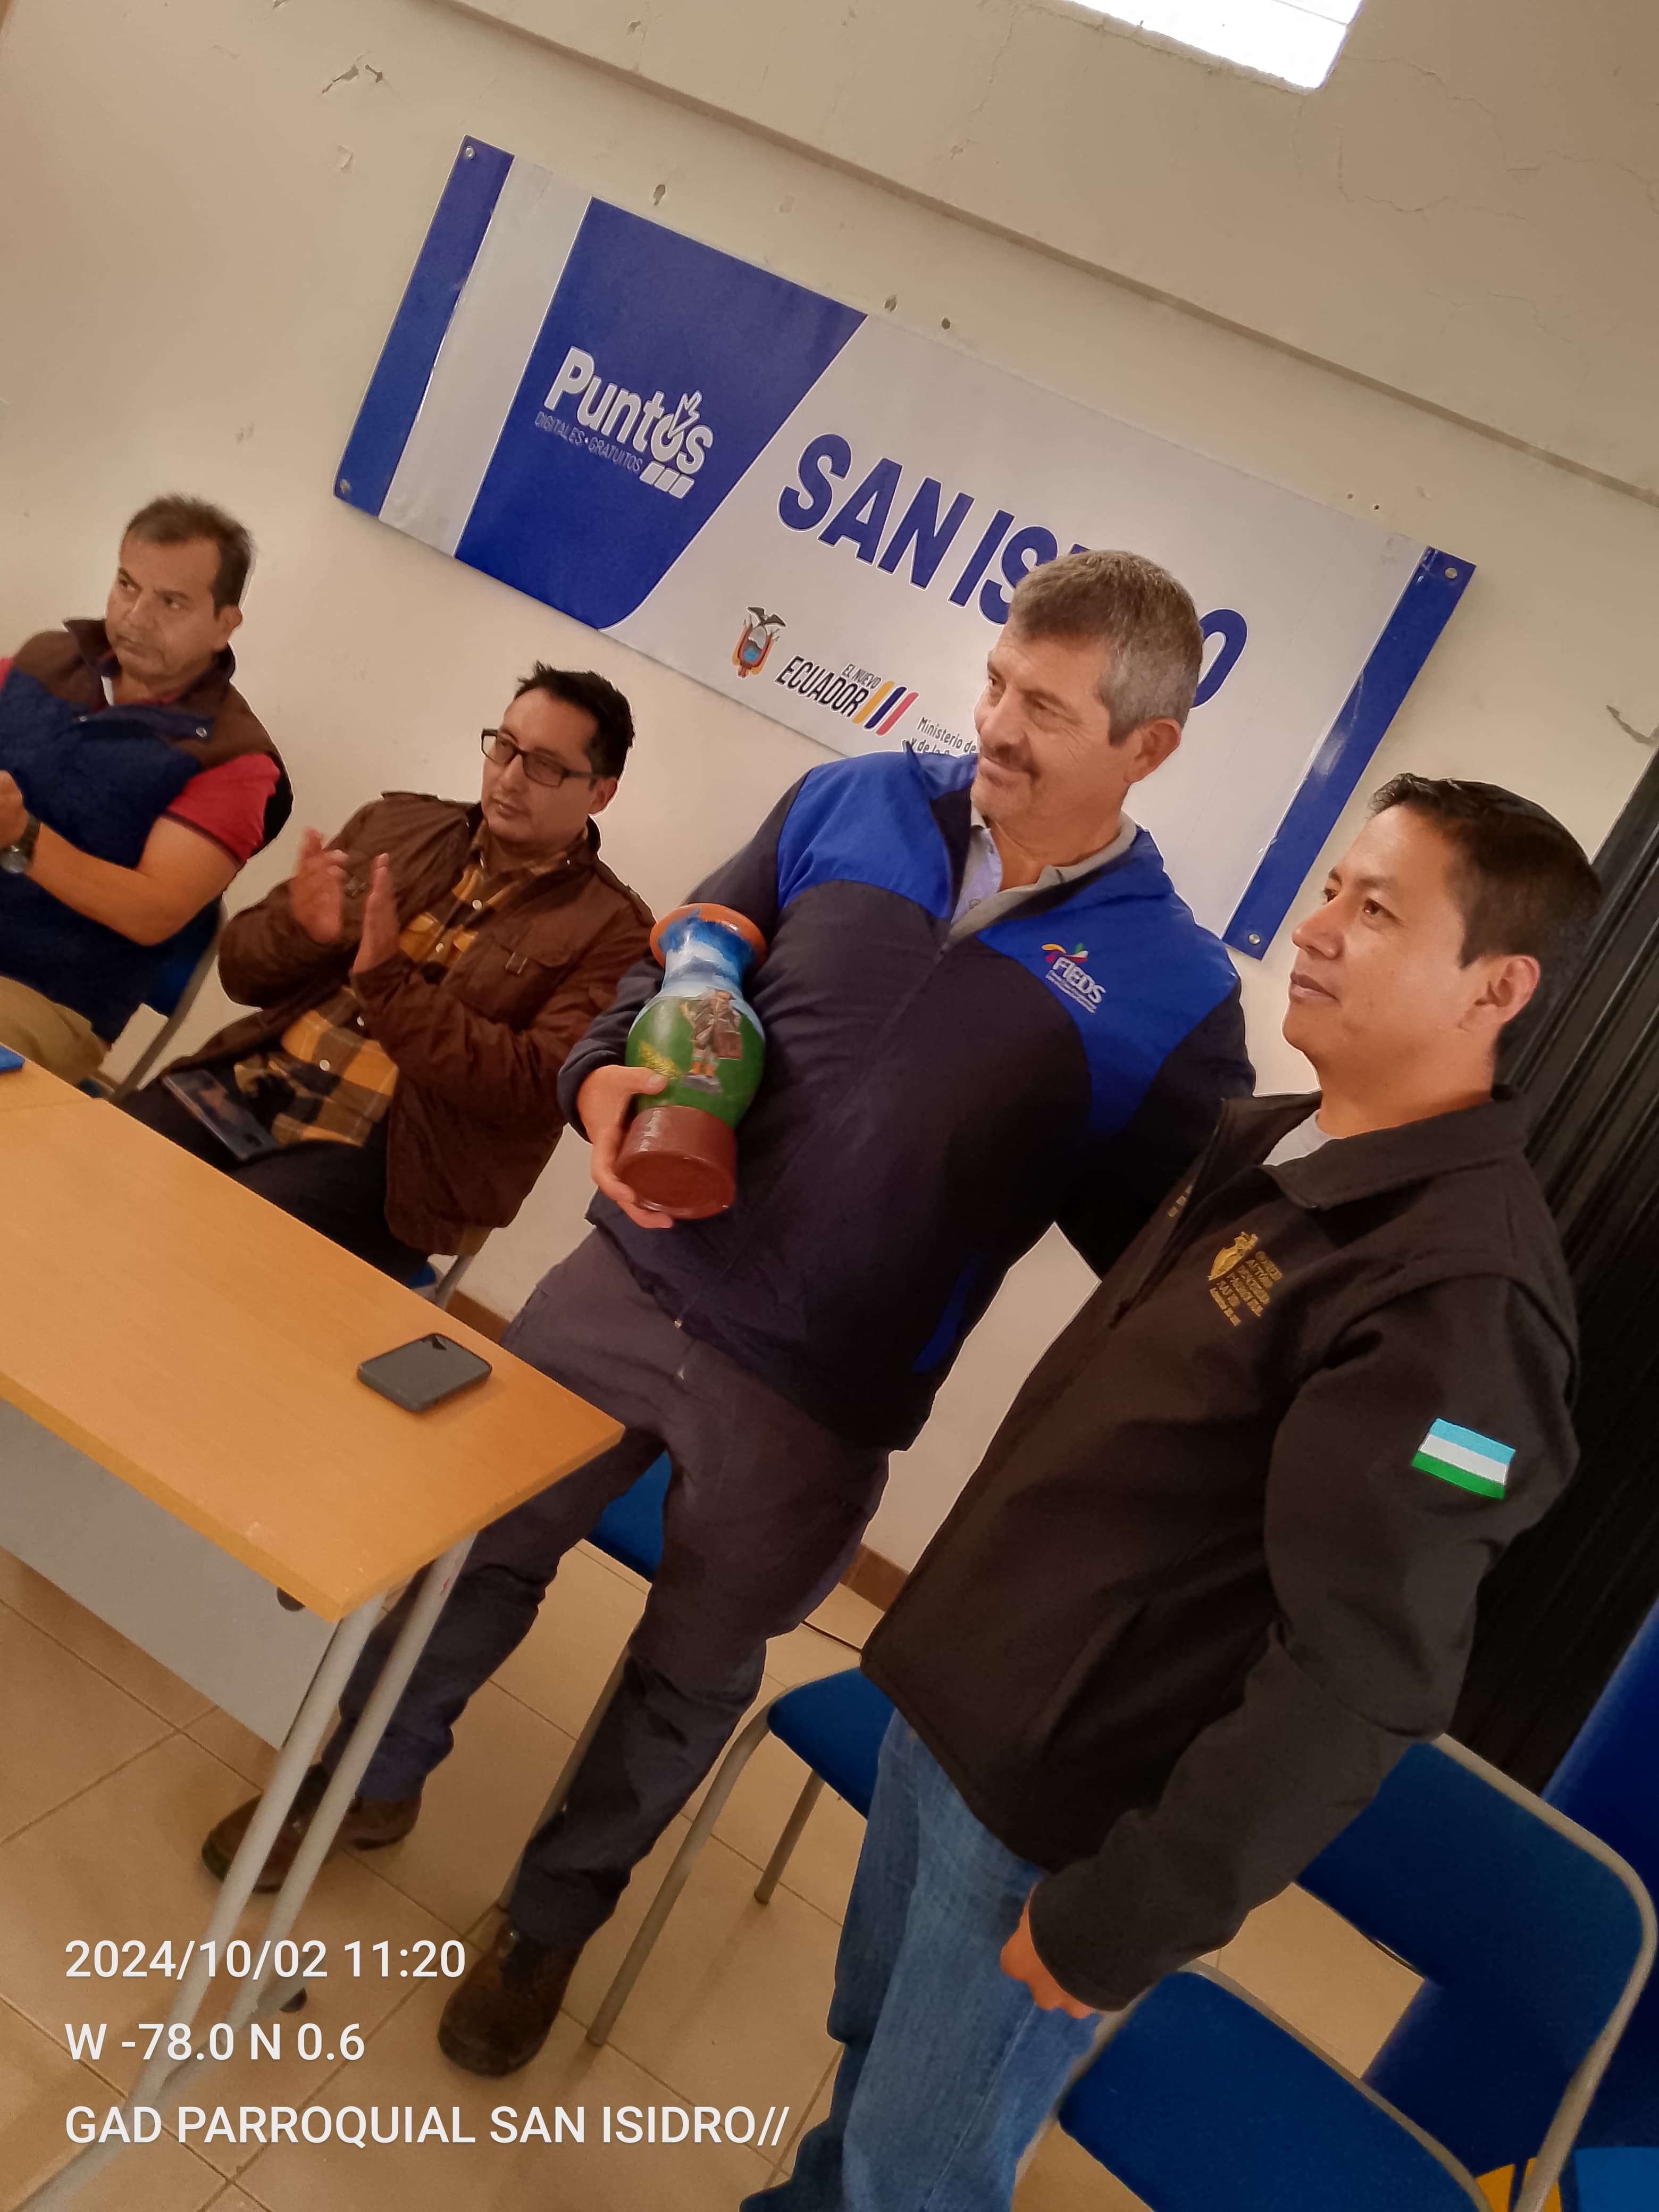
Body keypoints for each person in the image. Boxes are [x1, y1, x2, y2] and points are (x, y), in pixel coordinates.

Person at [201, 549, 1256, 2074]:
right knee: (472, 1551)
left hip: (821, 1400)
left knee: (688, 1674)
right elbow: (676, 971)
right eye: (996, 682)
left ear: (1148, 747)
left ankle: (550, 1918)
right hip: (625, 1285)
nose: (995, 726)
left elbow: (1163, 1265)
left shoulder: (1172, 989)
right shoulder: (854, 801)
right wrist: (602, 1085)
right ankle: (359, 1778)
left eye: (1047, 708)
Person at [756, 776, 1602, 2211]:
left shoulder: (1460, 1298)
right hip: (961, 1706)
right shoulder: (1282, 1138)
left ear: (1496, 986)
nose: (1316, 929)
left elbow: (1361, 1675)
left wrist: (1126, 1918)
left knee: (917, 2168)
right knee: (870, 2059)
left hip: (1059, 1813)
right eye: (1329, 889)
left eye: (1376, 910)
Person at [125, 666, 651, 1276]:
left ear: (600, 793)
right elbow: (240, 973)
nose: (509, 777)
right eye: (505, 746)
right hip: (252, 1082)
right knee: (101, 1159)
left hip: (396, 1162)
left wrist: (387, 983)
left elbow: (533, 1087)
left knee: (216, 1253)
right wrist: (300, 933)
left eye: (545, 766)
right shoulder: (395, 826)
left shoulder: (616, 930)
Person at [0, 497, 290, 1084]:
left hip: (44, 994)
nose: (135, 616)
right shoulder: (43, 658)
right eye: (127, 585)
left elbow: (153, 912)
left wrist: (22, 839)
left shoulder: (234, 759)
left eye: (171, 602)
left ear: (225, 624)